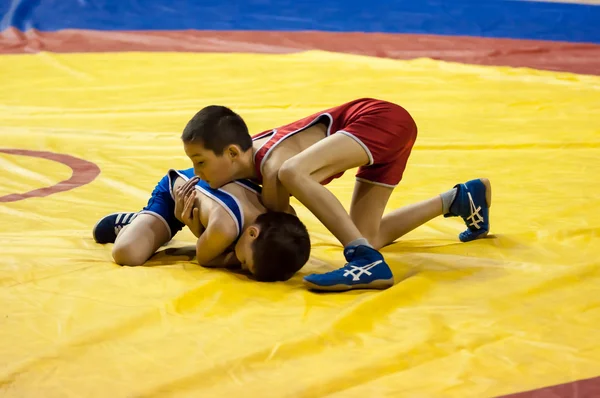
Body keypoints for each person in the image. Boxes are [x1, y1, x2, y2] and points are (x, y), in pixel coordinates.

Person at [178, 98, 492, 291]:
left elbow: (279, 227)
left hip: (378, 119)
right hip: (381, 132)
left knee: (290, 171)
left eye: (200, 162)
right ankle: (459, 199)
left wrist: (208, 237)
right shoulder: (251, 159)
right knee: (369, 234)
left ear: (231, 153)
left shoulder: (272, 168)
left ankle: (363, 260)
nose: (197, 172)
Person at [93, 168, 311, 282]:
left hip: (202, 206)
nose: (240, 266)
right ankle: (136, 221)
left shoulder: (283, 215)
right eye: (245, 262)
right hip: (176, 197)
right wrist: (201, 233)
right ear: (252, 233)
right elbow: (205, 258)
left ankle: (151, 230)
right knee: (126, 254)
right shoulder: (224, 228)